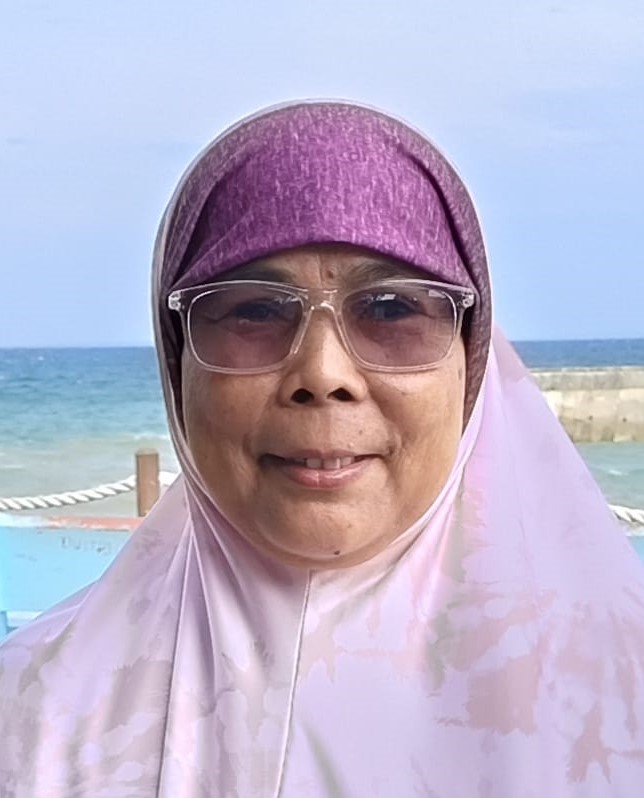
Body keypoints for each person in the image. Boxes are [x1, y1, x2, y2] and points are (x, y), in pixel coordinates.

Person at [1, 100, 643, 797]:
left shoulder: (616, 698)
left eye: (393, 308)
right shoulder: (31, 718)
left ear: (473, 358)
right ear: (176, 358)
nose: (323, 373)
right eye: (253, 309)